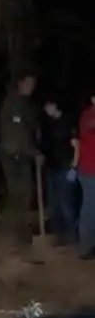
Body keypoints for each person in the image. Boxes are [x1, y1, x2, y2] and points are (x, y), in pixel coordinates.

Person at [0, 71, 42, 243]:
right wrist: (34, 152)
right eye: (29, 83)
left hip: (19, 153)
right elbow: (18, 134)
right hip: (14, 154)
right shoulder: (14, 103)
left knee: (23, 193)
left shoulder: (24, 103)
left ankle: (19, 231)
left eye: (34, 83)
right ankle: (18, 233)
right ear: (21, 83)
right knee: (20, 193)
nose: (32, 87)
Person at [39, 97, 78, 245]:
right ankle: (59, 235)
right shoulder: (47, 123)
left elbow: (76, 144)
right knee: (53, 203)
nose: (46, 110)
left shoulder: (67, 121)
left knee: (66, 203)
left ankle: (72, 235)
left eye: (48, 106)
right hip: (51, 167)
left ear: (55, 104)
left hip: (65, 166)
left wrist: (74, 167)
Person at [76, 93, 95, 258]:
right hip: (90, 170)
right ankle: (85, 247)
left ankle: (90, 244)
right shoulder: (88, 116)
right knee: (89, 208)